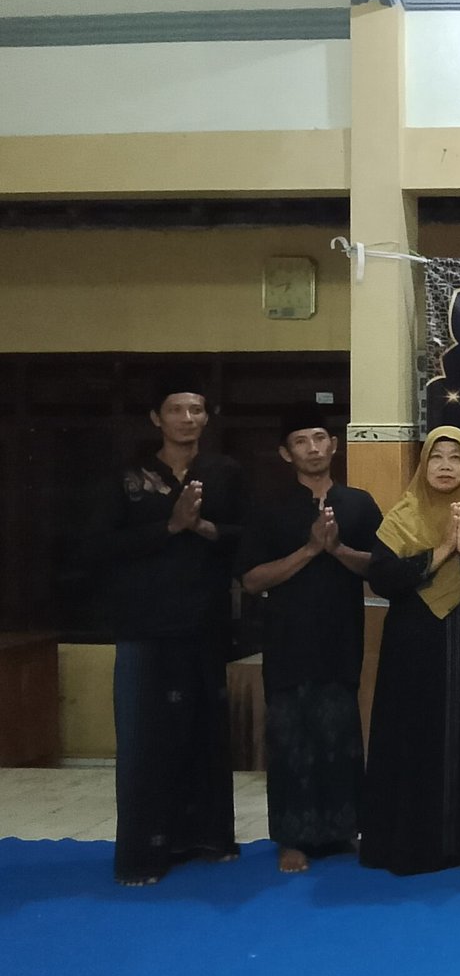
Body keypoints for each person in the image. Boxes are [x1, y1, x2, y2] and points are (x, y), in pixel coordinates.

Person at [91, 369, 244, 886]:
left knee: (205, 735)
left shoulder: (223, 471)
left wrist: (205, 528)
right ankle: (143, 855)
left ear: (207, 417)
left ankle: (209, 840)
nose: (187, 418)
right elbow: (99, 547)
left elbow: (246, 537)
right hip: (145, 625)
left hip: (204, 622)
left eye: (196, 409)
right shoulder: (128, 476)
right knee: (145, 741)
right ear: (156, 418)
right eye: (176, 409)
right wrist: (171, 527)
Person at [238, 406, 381, 874]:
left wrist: (337, 549)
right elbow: (251, 578)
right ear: (286, 453)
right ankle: (292, 838)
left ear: (334, 445)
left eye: (320, 438)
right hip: (288, 642)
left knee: (341, 735)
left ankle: (344, 829)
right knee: (291, 739)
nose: (313, 448)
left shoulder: (358, 504)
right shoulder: (269, 507)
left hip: (340, 639)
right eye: (301, 441)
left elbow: (382, 570)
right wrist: (309, 550)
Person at [360, 426, 460, 876]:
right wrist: (438, 554)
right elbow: (382, 578)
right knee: (414, 732)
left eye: (454, 458)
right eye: (436, 457)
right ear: (423, 464)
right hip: (414, 644)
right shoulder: (402, 517)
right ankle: (414, 843)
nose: (444, 466)